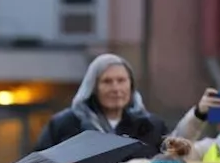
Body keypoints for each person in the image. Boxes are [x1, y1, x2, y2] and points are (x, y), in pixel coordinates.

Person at [34, 53, 167, 157]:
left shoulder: (151, 127)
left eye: (121, 80)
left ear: (131, 85)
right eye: (107, 81)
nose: (116, 88)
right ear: (93, 87)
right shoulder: (65, 125)